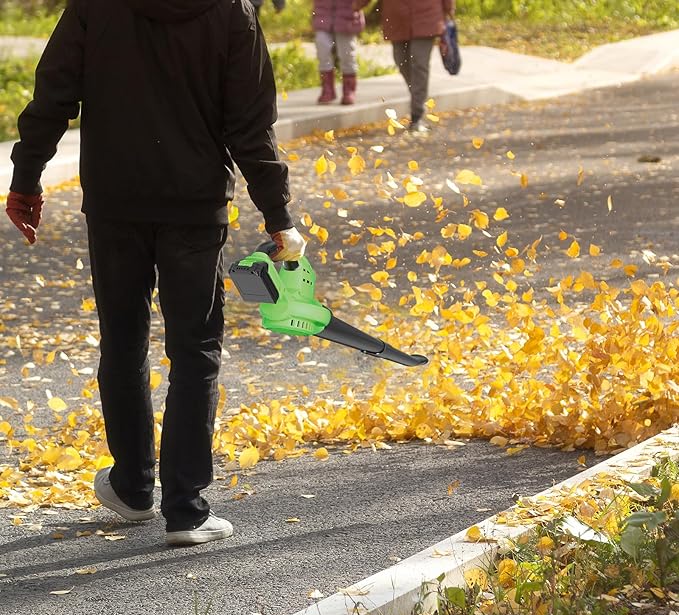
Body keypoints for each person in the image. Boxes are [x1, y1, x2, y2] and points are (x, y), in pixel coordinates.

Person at [5, 0, 306, 547]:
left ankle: (133, 487)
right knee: (195, 350)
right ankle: (186, 509)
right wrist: (278, 213)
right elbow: (250, 125)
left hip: (115, 199)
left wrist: (26, 176)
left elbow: (55, 89)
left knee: (122, 341)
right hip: (194, 204)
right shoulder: (232, 12)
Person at [354, 0, 454, 132]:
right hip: (397, 18)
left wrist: (449, 8)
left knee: (419, 64)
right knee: (400, 60)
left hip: (427, 16)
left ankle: (417, 115)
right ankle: (417, 97)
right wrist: (354, 6)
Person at [313, 0, 365, 105]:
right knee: (322, 47)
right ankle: (327, 89)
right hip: (323, 13)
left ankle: (349, 90)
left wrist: (359, 4)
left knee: (347, 53)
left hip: (347, 16)